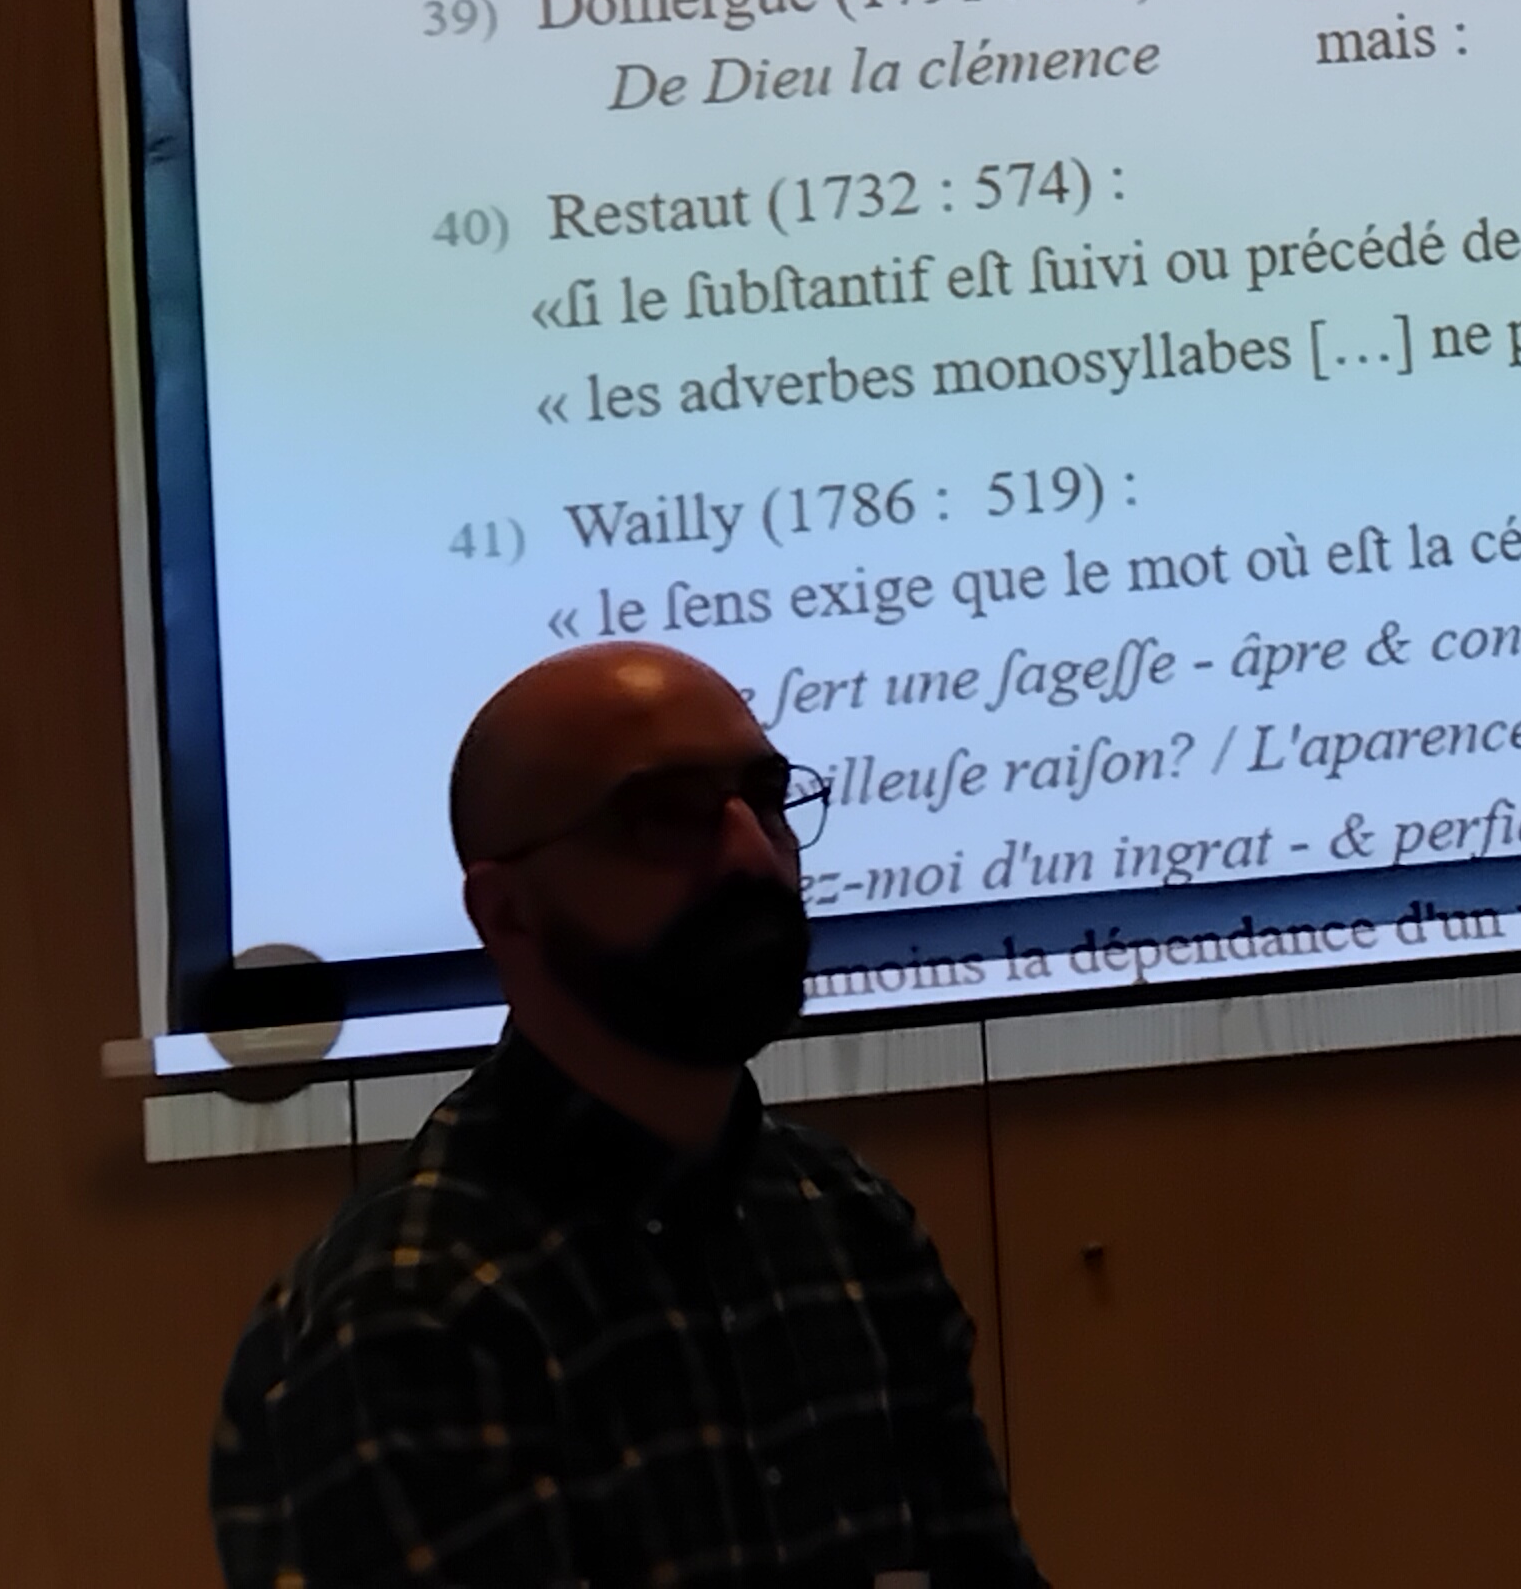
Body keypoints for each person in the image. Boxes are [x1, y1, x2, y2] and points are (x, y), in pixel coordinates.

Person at [210, 644, 1041, 1587]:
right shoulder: (420, 1307)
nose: (752, 856)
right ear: (508, 912)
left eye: (767, 800)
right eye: (664, 818)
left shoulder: (850, 1220)